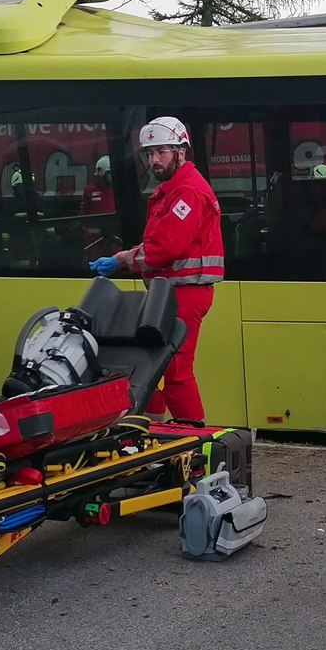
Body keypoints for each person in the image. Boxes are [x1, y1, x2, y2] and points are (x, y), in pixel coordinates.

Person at [88, 116, 223, 424]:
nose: (153, 160)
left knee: (175, 373)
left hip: (183, 293)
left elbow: (164, 249)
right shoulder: (174, 190)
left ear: (181, 151)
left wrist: (122, 259)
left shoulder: (187, 192)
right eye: (149, 154)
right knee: (154, 366)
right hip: (173, 292)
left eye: (161, 151)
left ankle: (194, 438)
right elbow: (158, 245)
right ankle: (149, 428)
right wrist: (126, 258)